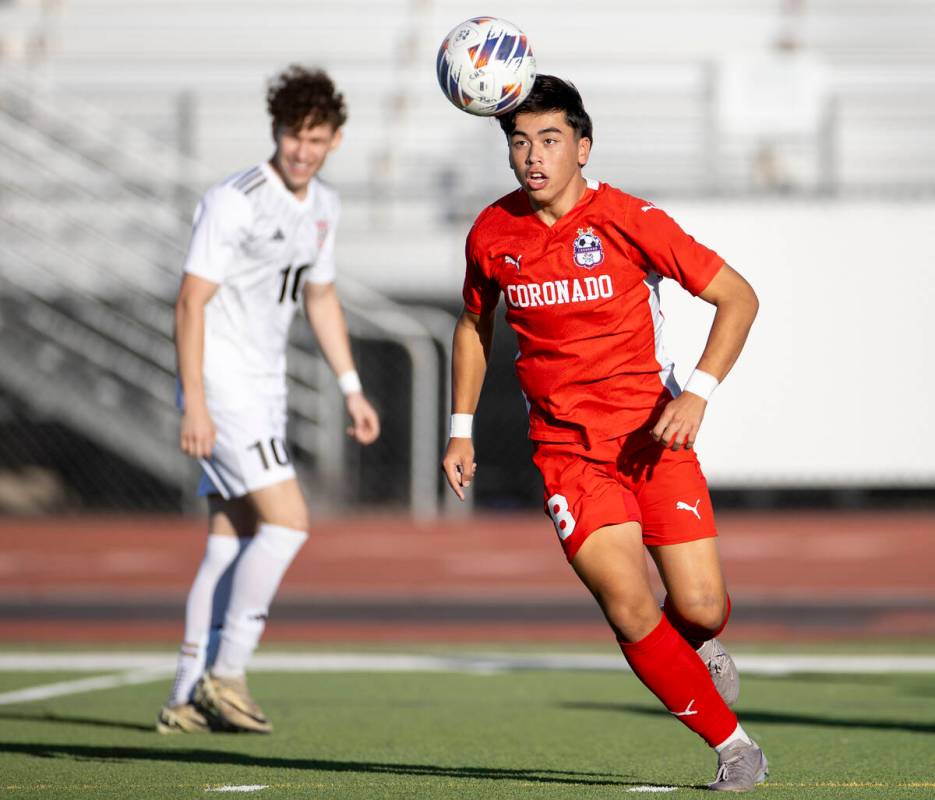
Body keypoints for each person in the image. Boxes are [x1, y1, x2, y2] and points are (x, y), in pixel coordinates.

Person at [442, 75, 766, 791]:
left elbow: (737, 297)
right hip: (566, 456)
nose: (533, 155)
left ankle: (693, 642)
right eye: (520, 142)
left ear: (582, 148)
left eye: (550, 140)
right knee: (626, 601)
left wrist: (700, 396)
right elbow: (472, 324)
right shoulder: (492, 232)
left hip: (653, 440)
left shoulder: (629, 219)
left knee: (699, 607)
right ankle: (733, 747)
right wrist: (460, 428)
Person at [157, 65, 380, 734]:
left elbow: (320, 296)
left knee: (231, 537)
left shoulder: (324, 207)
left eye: (315, 138)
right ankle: (226, 676)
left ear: (335, 140)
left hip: (264, 387)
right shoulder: (235, 199)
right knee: (288, 521)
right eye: (291, 135)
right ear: (275, 132)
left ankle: (182, 699)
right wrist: (195, 400)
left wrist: (351, 388)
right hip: (223, 387)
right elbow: (191, 301)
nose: (301, 150)